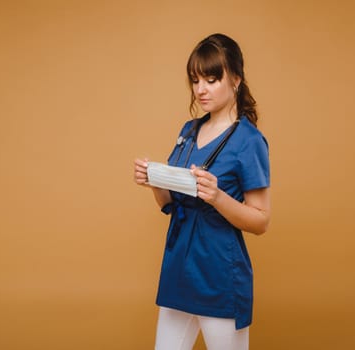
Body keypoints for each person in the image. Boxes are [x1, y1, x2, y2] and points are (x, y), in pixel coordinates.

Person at [133, 33, 271, 350]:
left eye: (211, 79)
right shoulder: (189, 130)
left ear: (236, 78)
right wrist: (154, 181)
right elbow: (169, 204)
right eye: (196, 80)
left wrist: (217, 197)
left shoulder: (249, 141)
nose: (201, 90)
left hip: (219, 275)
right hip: (178, 268)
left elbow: (261, 221)